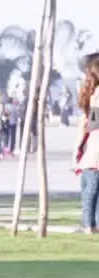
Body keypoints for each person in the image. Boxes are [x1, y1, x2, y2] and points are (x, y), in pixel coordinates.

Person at [74, 53, 99, 234]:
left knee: (91, 187)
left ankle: (91, 224)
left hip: (91, 142)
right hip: (95, 143)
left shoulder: (91, 91)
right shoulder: (95, 93)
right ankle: (89, 224)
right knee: (92, 188)